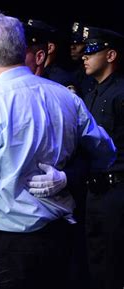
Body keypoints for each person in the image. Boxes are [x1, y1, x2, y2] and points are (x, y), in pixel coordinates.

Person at [0, 13, 116, 289]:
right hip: (62, 242)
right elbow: (106, 152)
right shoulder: (66, 97)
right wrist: (66, 174)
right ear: (23, 49)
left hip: (7, 248)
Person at [82, 26, 124, 289]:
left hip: (117, 188)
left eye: (92, 50)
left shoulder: (121, 94)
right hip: (93, 189)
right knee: (94, 259)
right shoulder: (90, 93)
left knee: (114, 261)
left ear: (110, 55)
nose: (85, 56)